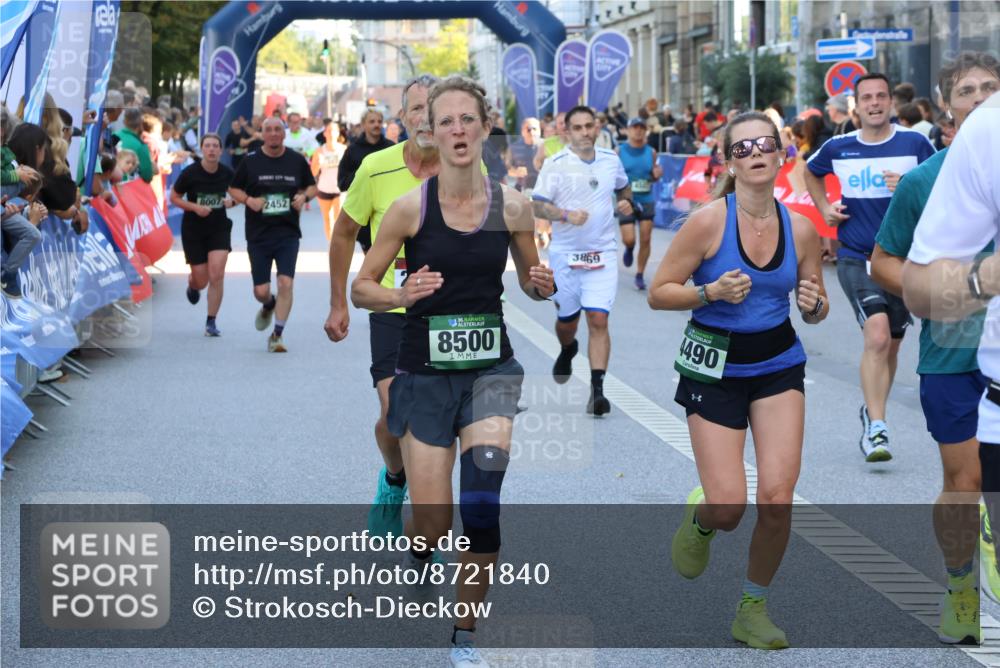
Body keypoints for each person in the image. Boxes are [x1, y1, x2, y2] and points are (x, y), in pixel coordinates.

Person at [350, 75, 555, 668]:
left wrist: (540, 286)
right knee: (434, 525)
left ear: (485, 127)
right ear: (431, 133)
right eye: (447, 122)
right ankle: (415, 528)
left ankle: (464, 634)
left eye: (469, 120)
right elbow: (363, 287)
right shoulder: (410, 209)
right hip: (425, 372)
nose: (459, 130)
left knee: (483, 504)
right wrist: (401, 293)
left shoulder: (512, 205)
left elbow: (530, 280)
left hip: (492, 370)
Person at [648, 111, 828, 650]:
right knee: (729, 506)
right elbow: (660, 291)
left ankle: (752, 607)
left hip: (777, 365)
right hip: (715, 367)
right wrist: (708, 293)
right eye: (742, 147)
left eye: (765, 144)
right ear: (729, 161)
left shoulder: (800, 229)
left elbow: (816, 306)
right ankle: (702, 519)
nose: (755, 153)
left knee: (777, 496)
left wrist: (814, 304)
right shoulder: (707, 222)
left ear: (781, 155)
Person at [871, 51, 999, 645]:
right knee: (963, 479)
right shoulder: (927, 180)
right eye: (966, 90)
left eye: (990, 88)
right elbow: (883, 263)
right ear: (947, 106)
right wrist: (957, 290)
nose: (978, 98)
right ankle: (959, 587)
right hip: (951, 352)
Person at [324, 74, 443, 541]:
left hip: (447, 314)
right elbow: (344, 233)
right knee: (396, 416)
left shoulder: (466, 167)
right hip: (392, 308)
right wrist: (339, 304)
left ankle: (426, 530)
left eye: (434, 109)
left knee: (430, 425)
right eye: (417, 109)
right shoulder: (376, 168)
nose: (426, 118)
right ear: (403, 118)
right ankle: (394, 480)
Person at [804, 72, 936, 463]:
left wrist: (912, 183)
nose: (875, 103)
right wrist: (825, 208)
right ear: (856, 105)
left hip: (902, 259)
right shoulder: (839, 146)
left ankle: (871, 410)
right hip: (856, 255)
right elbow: (809, 171)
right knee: (877, 334)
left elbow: (942, 186)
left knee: (892, 342)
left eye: (881, 96)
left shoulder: (915, 143)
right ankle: (878, 427)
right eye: (867, 98)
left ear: (891, 102)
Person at [532, 105, 634, 415]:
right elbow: (537, 205)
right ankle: (568, 347)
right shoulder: (556, 164)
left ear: (597, 126)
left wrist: (626, 201)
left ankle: (597, 391)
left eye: (590, 126)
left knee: (598, 319)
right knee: (567, 324)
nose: (585, 133)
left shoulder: (610, 160)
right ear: (567, 132)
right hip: (565, 257)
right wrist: (565, 215)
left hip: (602, 254)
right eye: (578, 128)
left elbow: (622, 186)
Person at [228, 116, 317, 352]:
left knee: (285, 282)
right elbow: (233, 188)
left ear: (284, 134)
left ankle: (277, 334)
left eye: (278, 129)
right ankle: (268, 304)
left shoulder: (296, 160)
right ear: (262, 134)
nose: (274, 133)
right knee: (261, 290)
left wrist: (304, 197)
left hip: (288, 233)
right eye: (269, 130)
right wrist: (248, 200)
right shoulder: (251, 161)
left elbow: (312, 185)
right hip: (258, 234)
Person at [169, 133, 236, 337]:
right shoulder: (191, 173)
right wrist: (195, 207)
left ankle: (211, 321)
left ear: (221, 150)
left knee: (217, 274)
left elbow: (240, 193)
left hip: (219, 227)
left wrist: (231, 202)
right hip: (194, 229)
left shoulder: (226, 173)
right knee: (202, 280)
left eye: (216, 146)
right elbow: (174, 197)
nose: (212, 149)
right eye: (207, 146)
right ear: (202, 149)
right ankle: (193, 284)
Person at [338, 108, 395, 253]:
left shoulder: (391, 148)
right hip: (365, 215)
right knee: (371, 260)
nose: (376, 124)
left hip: (389, 211)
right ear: (363, 124)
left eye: (379, 121)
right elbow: (342, 183)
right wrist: (364, 173)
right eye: (372, 121)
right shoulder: (353, 150)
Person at [618, 117, 663, 290]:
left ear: (645, 131)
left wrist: (657, 174)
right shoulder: (619, 151)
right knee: (629, 239)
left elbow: (653, 175)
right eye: (635, 128)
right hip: (626, 199)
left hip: (646, 198)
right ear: (628, 130)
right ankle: (629, 248)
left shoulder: (651, 151)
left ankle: (640, 274)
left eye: (641, 128)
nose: (638, 131)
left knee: (646, 238)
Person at [311, 120, 346, 241]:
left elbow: (350, 170)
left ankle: (338, 244)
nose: (331, 133)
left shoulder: (344, 149)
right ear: (324, 133)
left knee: (338, 219)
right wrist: (318, 164)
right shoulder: (319, 151)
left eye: (334, 130)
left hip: (339, 189)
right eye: (329, 130)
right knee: (328, 220)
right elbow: (313, 173)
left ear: (338, 133)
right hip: (323, 189)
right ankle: (331, 246)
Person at [113, 108, 153, 183]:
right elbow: (147, 175)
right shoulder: (141, 145)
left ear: (124, 121)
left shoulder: (113, 135)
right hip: (127, 189)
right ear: (140, 123)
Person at [506, 117, 541, 192]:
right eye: (528, 129)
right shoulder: (513, 148)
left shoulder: (546, 146)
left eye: (534, 129)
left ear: (539, 131)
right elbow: (506, 168)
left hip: (544, 189)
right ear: (522, 132)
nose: (531, 132)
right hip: (523, 189)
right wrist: (515, 172)